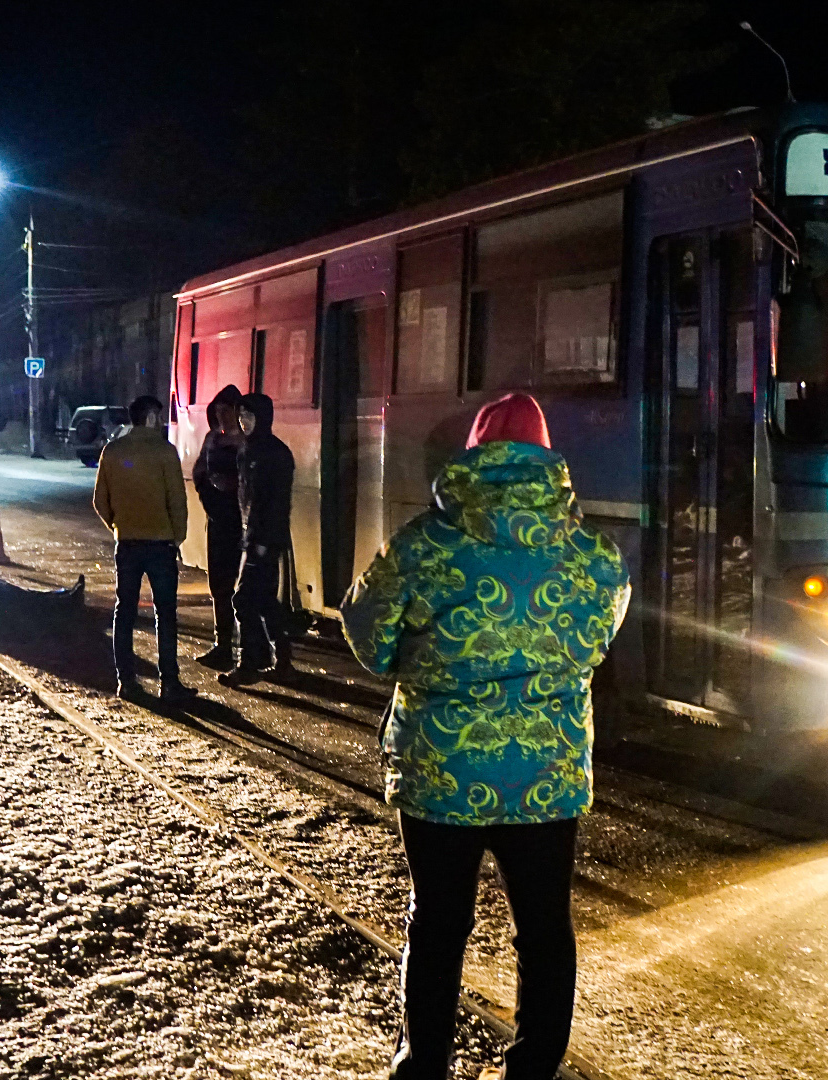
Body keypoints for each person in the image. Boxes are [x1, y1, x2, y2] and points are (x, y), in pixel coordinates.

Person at [339, 393, 629, 1080]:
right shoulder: (594, 555)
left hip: (441, 771)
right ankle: (532, 1069)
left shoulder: (421, 546)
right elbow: (597, 642)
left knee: (437, 923)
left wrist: (413, 660)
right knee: (544, 930)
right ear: (547, 455)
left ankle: (423, 1066)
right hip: (545, 775)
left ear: (473, 453)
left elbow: (366, 633)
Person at [93, 395, 195, 702]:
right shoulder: (165, 452)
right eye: (159, 417)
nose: (161, 422)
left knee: (124, 612)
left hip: (127, 544)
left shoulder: (113, 451)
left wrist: (118, 525)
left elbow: (100, 500)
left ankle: (126, 681)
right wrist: (177, 536)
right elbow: (177, 500)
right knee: (165, 614)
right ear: (150, 417)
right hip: (161, 545)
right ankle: (169, 683)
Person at [219, 391, 296, 686]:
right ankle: (283, 661)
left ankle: (249, 664)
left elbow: (276, 503)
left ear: (263, 418)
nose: (243, 421)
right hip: (252, 537)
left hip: (264, 540)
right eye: (242, 416)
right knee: (264, 601)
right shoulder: (247, 450)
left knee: (243, 600)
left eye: (249, 416)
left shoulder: (274, 453)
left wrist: (262, 542)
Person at [192, 384, 245, 669]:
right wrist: (212, 496)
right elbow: (199, 473)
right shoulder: (212, 440)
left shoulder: (248, 442)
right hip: (218, 520)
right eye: (219, 411)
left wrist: (234, 488)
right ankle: (223, 645)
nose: (222, 416)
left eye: (227, 410)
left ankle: (252, 650)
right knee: (219, 585)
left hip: (244, 523)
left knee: (247, 589)